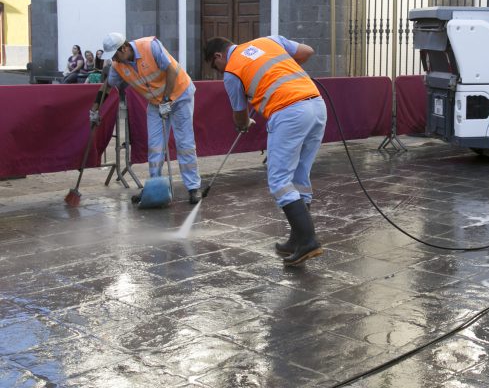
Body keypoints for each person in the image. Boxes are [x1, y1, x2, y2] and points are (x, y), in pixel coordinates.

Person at [204, 35, 327, 266]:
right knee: (300, 175)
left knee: (279, 179)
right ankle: (298, 239)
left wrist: (243, 124)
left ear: (218, 56)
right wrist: (281, 73)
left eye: (215, 66)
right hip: (317, 106)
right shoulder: (268, 41)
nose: (219, 72)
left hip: (289, 112)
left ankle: (309, 240)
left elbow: (239, 114)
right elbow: (307, 50)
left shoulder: (232, 71)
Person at [90, 33, 202, 204]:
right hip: (156, 103)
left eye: (115, 55)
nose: (114, 59)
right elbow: (107, 86)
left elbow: (171, 70)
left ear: (125, 48)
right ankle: (154, 188)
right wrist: (95, 109)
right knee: (155, 147)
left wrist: (167, 100)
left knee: (184, 144)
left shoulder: (150, 46)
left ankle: (193, 187)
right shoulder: (118, 65)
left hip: (180, 96)